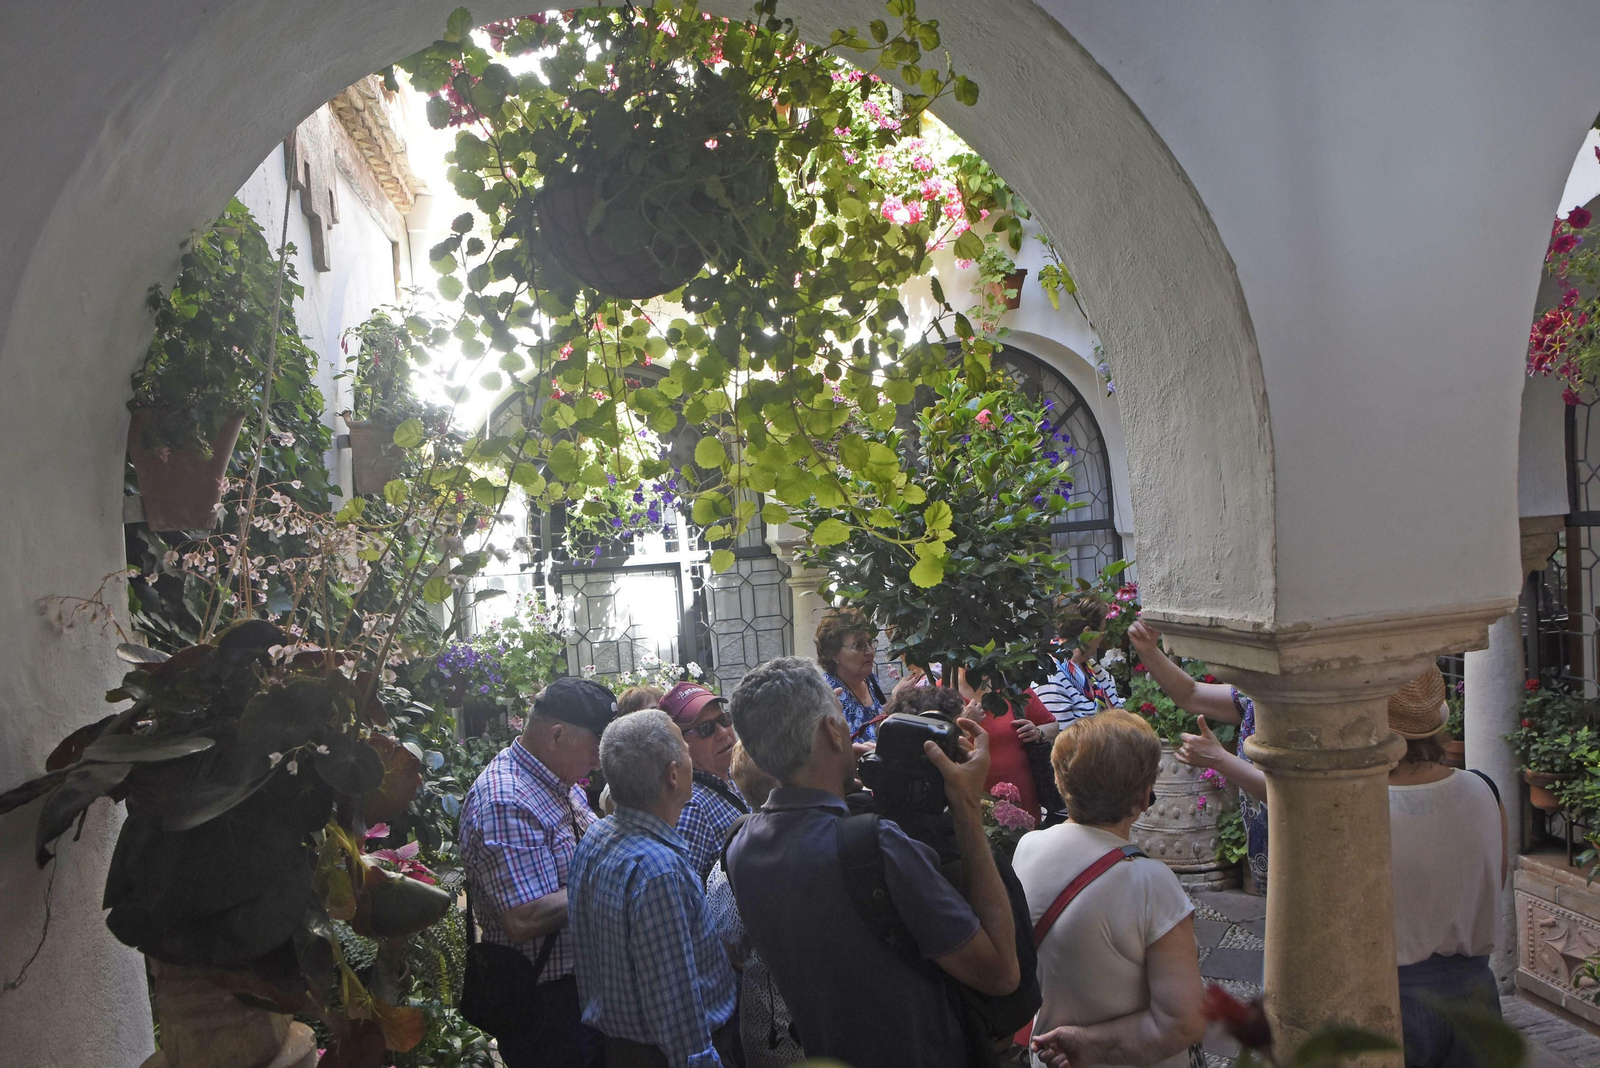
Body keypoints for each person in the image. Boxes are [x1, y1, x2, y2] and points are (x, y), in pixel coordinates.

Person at [724, 656, 1020, 1068]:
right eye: (841, 719)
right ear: (832, 731)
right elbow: (1001, 973)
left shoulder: (741, 845)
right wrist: (967, 806)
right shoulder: (875, 846)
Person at [1016, 710, 1206, 1068]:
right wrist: (1090, 1044)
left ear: (1062, 781)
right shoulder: (1150, 882)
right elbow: (1184, 1022)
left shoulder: (1029, 848)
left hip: (1048, 1057)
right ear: (1143, 797)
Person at [459, 677, 621, 1068]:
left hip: (578, 993)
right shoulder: (507, 799)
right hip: (546, 1005)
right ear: (557, 735)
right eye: (596, 743)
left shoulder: (559, 783)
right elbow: (523, 917)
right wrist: (610, 876)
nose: (600, 759)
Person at [568, 709, 740, 1068]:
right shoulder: (658, 871)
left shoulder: (599, 834)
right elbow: (675, 1007)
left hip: (620, 1048)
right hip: (663, 1056)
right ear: (673, 775)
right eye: (685, 750)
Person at [1386, 666, 1507, 1068]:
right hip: (1475, 997)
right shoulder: (1484, 788)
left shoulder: (1361, 810)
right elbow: (1495, 881)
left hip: (1394, 1001)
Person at [1127, 619, 1270, 892]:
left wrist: (1219, 759)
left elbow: (1285, 793)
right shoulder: (1252, 697)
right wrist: (1148, 650)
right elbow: (1190, 694)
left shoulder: (1294, 700)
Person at [705, 746, 803, 1068]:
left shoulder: (731, 859)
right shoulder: (823, 839)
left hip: (767, 1023)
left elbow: (729, 947)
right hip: (827, 1021)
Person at [661, 680, 749, 882]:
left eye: (724, 719)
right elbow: (684, 893)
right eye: (706, 728)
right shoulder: (692, 808)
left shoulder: (731, 775)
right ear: (679, 744)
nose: (723, 732)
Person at [948, 669, 1059, 821]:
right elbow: (933, 748)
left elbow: (1052, 725)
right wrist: (963, 727)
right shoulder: (943, 692)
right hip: (972, 808)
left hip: (1024, 807)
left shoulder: (1012, 687)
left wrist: (1037, 731)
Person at [816, 607, 888, 742]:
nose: (870, 652)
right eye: (859, 645)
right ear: (833, 652)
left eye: (870, 643)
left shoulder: (870, 680)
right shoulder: (827, 696)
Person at [1034, 633, 1125, 726]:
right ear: (1087, 632)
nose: (1102, 638)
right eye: (1101, 632)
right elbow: (1062, 737)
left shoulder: (1097, 671)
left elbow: (1119, 711)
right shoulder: (1049, 678)